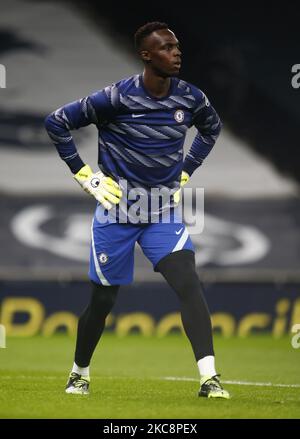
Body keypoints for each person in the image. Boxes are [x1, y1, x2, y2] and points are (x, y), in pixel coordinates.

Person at [45, 21, 230, 399]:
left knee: (188, 283)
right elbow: (57, 122)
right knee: (103, 301)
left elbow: (212, 129)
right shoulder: (116, 98)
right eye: (166, 47)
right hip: (118, 212)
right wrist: (85, 176)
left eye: (177, 46)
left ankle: (209, 380)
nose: (176, 53)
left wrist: (185, 171)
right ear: (146, 55)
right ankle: (79, 372)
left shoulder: (191, 99)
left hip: (162, 211)